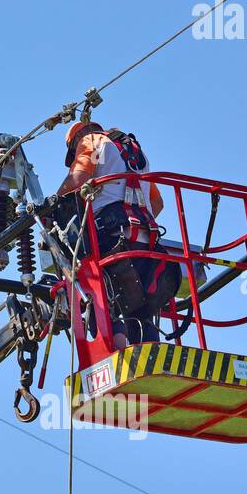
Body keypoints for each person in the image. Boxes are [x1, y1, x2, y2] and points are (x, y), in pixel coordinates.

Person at [56, 121, 178, 348]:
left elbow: (77, 180)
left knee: (96, 295)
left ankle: (116, 353)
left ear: (77, 138)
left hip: (111, 235)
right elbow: (157, 203)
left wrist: (53, 203)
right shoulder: (133, 151)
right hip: (146, 240)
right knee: (140, 308)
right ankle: (150, 354)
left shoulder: (92, 141)